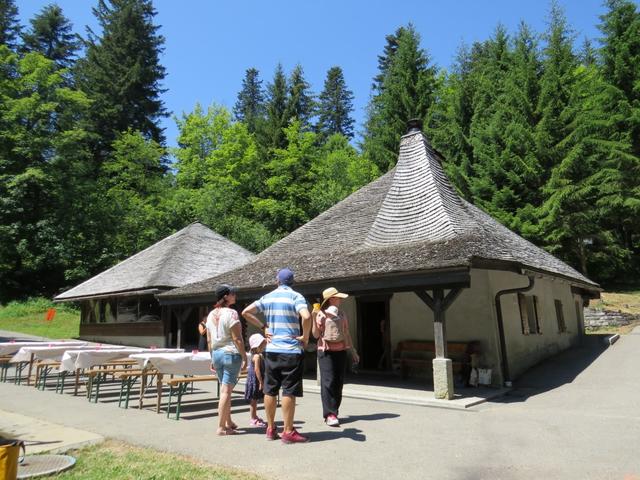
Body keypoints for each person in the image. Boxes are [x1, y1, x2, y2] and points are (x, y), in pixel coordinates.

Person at [242, 267, 311, 444]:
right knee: (289, 390)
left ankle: (271, 428)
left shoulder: (268, 297)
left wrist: (263, 327)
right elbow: (306, 315)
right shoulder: (296, 296)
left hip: (271, 350)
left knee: (270, 389)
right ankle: (288, 431)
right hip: (290, 350)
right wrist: (305, 336)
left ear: (277, 281)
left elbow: (246, 312)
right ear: (292, 282)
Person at [312, 287, 359, 427]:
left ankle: (334, 411)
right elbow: (315, 335)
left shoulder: (342, 314)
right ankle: (329, 414)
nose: (340, 300)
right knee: (328, 381)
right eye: (338, 297)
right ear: (331, 299)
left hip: (341, 350)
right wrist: (314, 317)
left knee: (338, 382)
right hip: (325, 351)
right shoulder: (321, 314)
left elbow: (346, 333)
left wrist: (353, 351)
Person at [207, 284, 247, 436]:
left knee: (225, 391)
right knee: (226, 391)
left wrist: (211, 357)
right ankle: (221, 427)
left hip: (216, 353)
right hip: (230, 353)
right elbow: (237, 338)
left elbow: (209, 340)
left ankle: (228, 422)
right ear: (225, 296)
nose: (235, 295)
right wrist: (244, 356)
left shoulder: (210, 314)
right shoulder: (232, 313)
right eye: (232, 293)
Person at [244, 333, 267, 427]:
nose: (263, 346)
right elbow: (257, 369)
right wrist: (261, 381)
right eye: (261, 345)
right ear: (256, 346)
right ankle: (253, 418)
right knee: (254, 400)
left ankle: (254, 416)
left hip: (255, 380)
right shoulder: (257, 356)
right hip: (255, 380)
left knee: (255, 400)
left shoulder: (258, 355)